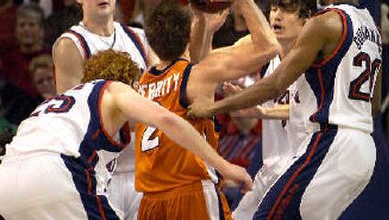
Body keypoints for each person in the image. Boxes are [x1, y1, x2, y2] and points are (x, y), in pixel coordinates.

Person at [189, 0, 382, 219]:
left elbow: (274, 85)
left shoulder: (325, 22)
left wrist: (212, 109)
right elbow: (374, 104)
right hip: (362, 148)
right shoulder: (371, 27)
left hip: (331, 142)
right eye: (275, 9)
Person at [0, 49, 252, 220]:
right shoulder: (113, 89)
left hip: (7, 182)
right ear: (130, 82)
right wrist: (225, 166)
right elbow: (167, 119)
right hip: (58, 173)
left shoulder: (60, 102)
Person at [134, 0, 280, 218]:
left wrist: (202, 20)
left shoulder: (144, 81)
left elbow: (194, 57)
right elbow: (269, 46)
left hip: (150, 200)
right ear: (185, 34)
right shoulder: (199, 74)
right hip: (190, 191)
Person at [52, 0, 152, 220]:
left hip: (143, 168)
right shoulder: (71, 44)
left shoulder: (139, 38)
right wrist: (138, 114)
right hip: (100, 173)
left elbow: (162, 92)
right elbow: (76, 120)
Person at [226, 0, 318, 219]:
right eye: (274, 9)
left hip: (299, 171)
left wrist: (265, 113)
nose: (276, 15)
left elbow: (308, 109)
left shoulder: (315, 63)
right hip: (269, 169)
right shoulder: (270, 57)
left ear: (307, 20)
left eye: (286, 10)